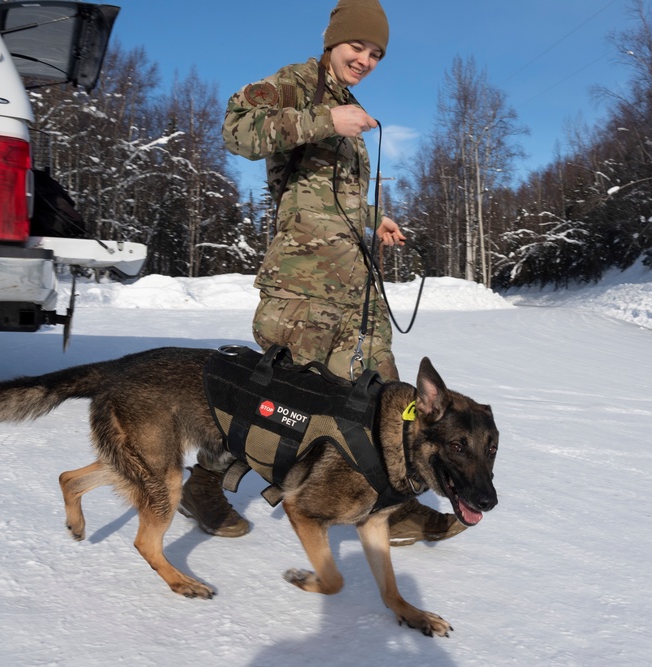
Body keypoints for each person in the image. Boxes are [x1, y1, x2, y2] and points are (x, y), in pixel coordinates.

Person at [178, 0, 466, 547]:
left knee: (382, 396)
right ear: (333, 40)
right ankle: (205, 483)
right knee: (279, 402)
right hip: (303, 288)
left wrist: (376, 220)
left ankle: (390, 504)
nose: (366, 59)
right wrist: (322, 120)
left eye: (376, 53)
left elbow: (335, 195)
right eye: (357, 46)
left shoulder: (350, 107)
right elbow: (236, 132)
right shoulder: (294, 86)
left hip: (356, 289)